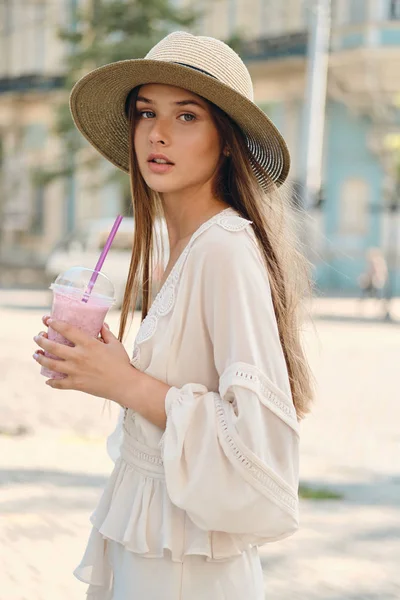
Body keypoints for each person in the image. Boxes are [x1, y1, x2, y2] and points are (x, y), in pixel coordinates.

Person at [33, 32, 314, 600]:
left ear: (228, 140)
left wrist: (126, 382)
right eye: (146, 113)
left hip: (189, 566)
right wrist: (104, 368)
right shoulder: (181, 244)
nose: (158, 133)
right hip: (157, 548)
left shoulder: (225, 248)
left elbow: (260, 449)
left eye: (187, 115)